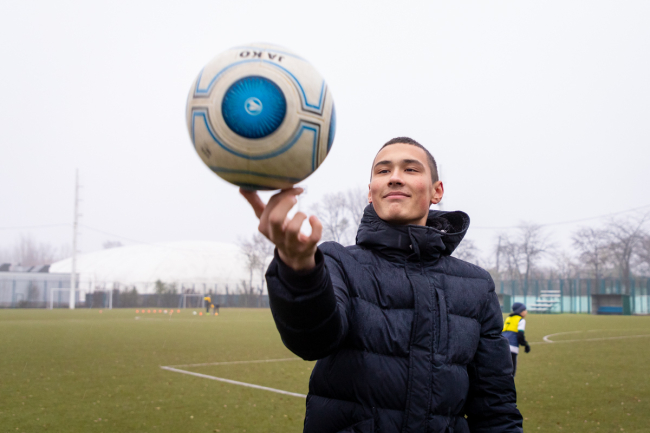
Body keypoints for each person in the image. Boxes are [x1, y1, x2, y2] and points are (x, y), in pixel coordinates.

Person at [241, 137, 523, 433]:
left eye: (411, 169)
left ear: (436, 191)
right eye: (383, 171)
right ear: (370, 192)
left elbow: (495, 408)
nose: (395, 178)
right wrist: (299, 270)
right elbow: (313, 340)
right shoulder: (338, 262)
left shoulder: (477, 285)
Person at [502, 302, 531, 377]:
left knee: (503, 371)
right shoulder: (521, 320)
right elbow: (520, 336)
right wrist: (525, 345)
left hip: (502, 347)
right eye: (525, 310)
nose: (526, 312)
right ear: (521, 311)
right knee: (511, 373)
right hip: (512, 348)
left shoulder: (508, 318)